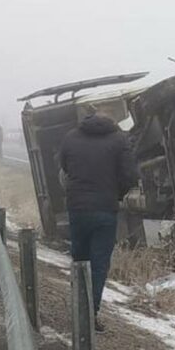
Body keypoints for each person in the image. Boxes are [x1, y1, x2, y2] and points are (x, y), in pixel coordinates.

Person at [59, 113, 137, 332]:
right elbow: (130, 175)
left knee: (79, 260)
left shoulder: (71, 137)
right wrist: (116, 194)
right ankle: (89, 314)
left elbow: (64, 167)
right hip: (105, 210)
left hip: (77, 209)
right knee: (99, 264)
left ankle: (78, 310)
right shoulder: (119, 139)